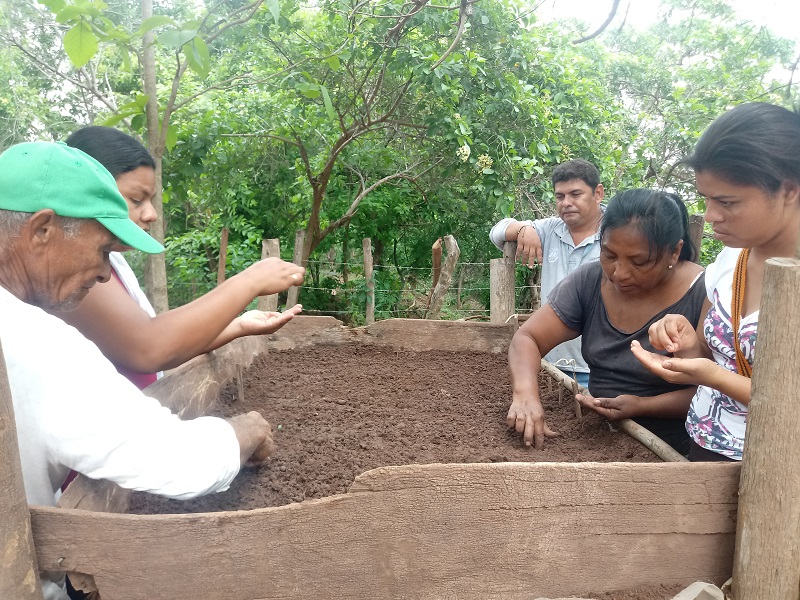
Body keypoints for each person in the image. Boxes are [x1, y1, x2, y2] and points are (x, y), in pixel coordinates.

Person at [0, 141, 286, 600]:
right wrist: (243, 431)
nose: (102, 273)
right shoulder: (38, 344)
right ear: (41, 230)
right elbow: (179, 462)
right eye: (103, 251)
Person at [54, 126, 304, 388]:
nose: (151, 214)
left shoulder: (112, 258)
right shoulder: (72, 268)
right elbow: (148, 347)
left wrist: (239, 326)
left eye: (150, 200)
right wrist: (250, 280)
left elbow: (163, 342)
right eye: (136, 200)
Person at [632, 102, 800, 462]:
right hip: (705, 447)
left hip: (774, 469)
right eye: (707, 199)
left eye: (727, 201)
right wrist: (685, 340)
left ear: (788, 190)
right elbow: (709, 355)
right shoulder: (731, 259)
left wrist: (712, 377)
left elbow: (789, 401)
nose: (710, 217)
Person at [506, 189, 706, 454]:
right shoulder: (590, 280)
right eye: (609, 255)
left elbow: (715, 389)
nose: (619, 273)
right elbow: (528, 338)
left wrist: (642, 405)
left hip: (676, 447)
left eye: (639, 262)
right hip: (600, 432)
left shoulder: (705, 292)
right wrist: (525, 394)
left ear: (674, 252)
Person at [489, 159, 605, 388]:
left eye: (575, 194)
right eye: (560, 196)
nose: (567, 203)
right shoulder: (551, 230)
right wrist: (525, 228)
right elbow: (497, 231)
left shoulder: (618, 232)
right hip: (551, 364)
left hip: (599, 369)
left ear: (598, 193)